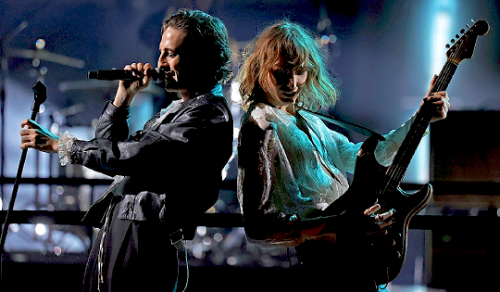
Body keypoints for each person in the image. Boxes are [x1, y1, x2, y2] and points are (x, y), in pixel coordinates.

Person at [19, 9, 233, 292]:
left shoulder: (207, 114)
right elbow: (110, 146)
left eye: (171, 54)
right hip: (124, 230)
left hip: (145, 242)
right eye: (161, 53)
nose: (160, 63)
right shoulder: (176, 109)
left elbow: (134, 156)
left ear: (202, 58)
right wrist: (123, 97)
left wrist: (61, 145)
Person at [236, 20, 450, 291]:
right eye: (281, 73)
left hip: (349, 256)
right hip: (317, 266)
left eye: (299, 71)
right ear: (261, 70)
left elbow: (378, 155)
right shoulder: (259, 128)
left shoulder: (311, 123)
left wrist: (422, 118)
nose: (292, 83)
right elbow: (257, 227)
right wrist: (335, 225)